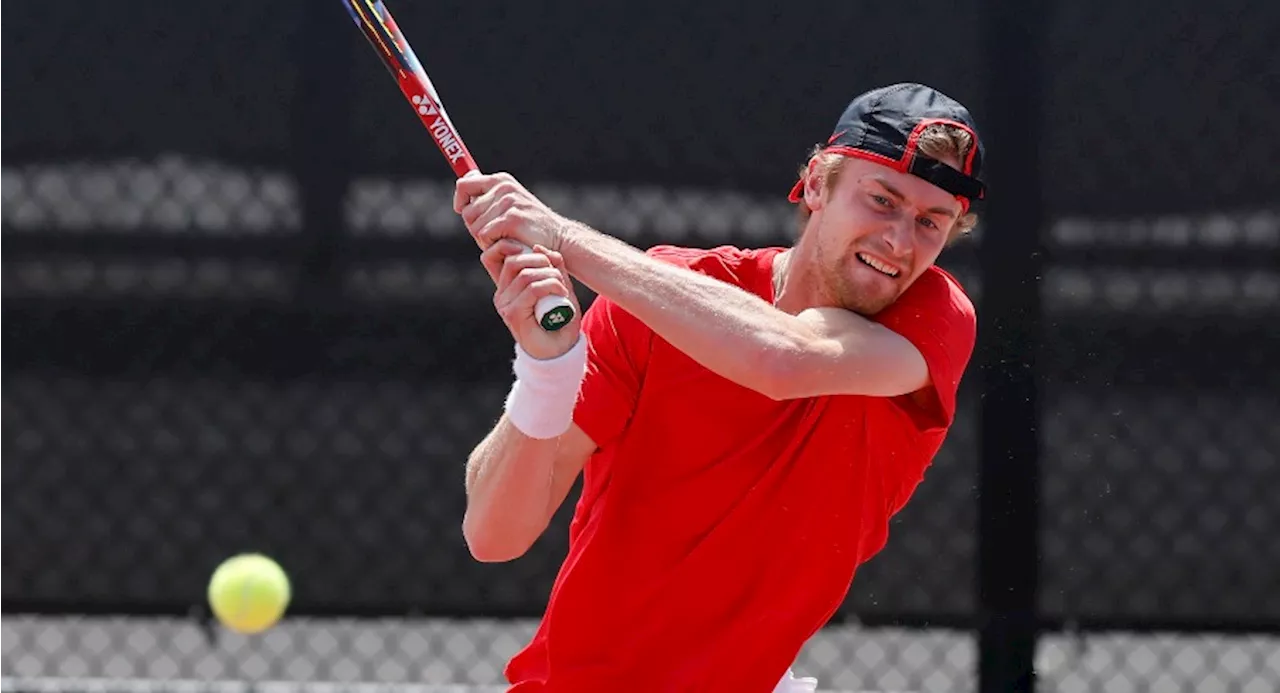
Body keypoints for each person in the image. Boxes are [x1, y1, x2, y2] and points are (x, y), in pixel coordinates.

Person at [453, 82, 986, 692]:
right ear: (816, 184)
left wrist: (565, 239)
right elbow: (493, 535)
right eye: (882, 201)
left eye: (930, 222)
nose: (900, 240)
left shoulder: (935, 318)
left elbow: (783, 357)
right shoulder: (654, 303)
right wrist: (548, 369)